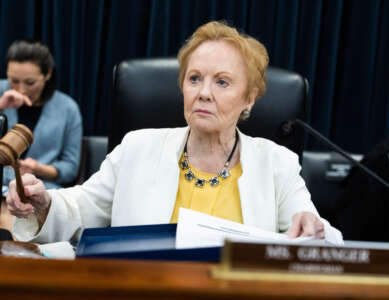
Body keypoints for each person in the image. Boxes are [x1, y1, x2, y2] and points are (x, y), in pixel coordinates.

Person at [6, 21, 342, 244]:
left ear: (249, 98)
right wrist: (43, 202)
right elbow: (81, 207)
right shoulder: (137, 147)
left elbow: (319, 235)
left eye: (222, 82)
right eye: (194, 78)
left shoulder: (277, 164)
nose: (204, 92)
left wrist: (315, 230)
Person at [0, 39, 82, 190]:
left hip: (39, 188)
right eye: (14, 80)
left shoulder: (68, 108)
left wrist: (38, 168)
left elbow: (70, 168)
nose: (21, 89)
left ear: (48, 73)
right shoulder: (1, 91)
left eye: (30, 82)